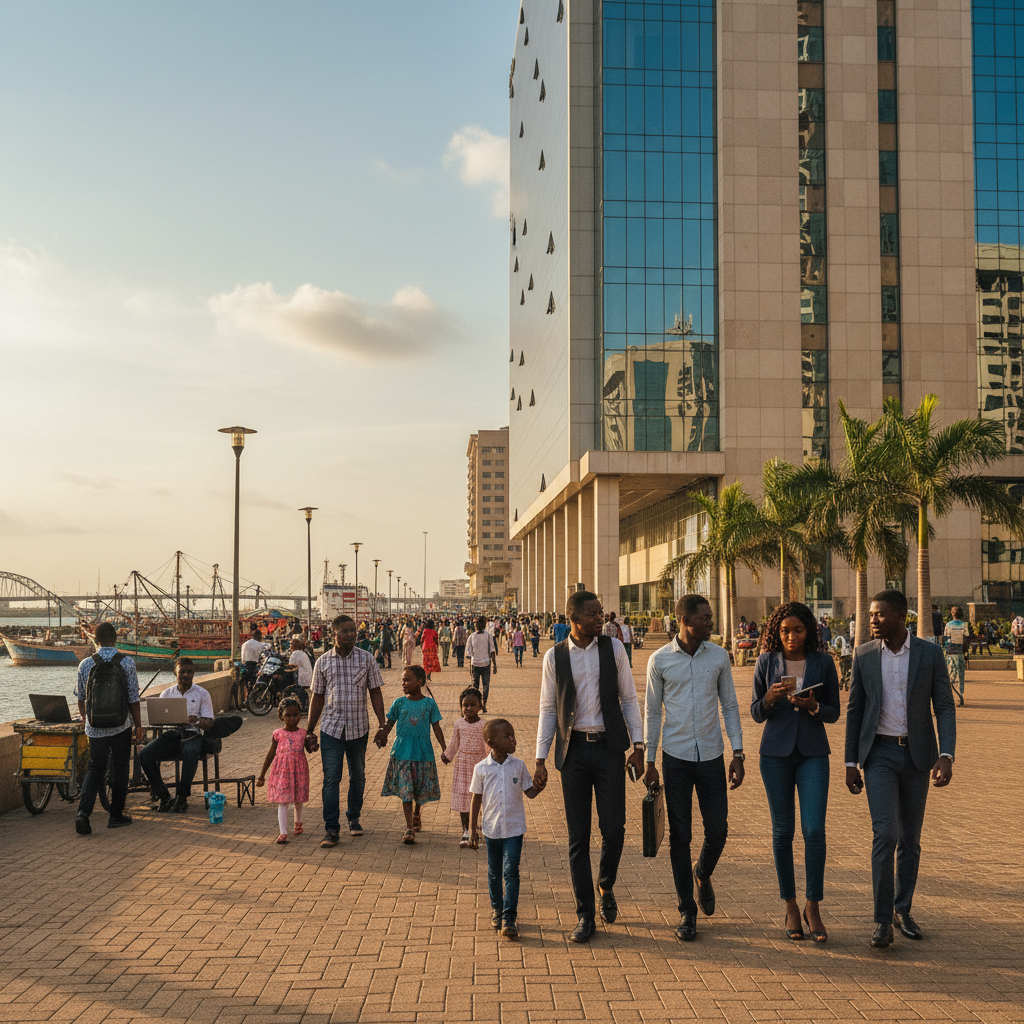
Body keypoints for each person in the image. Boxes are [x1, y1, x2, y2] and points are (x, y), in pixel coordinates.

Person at [844, 590, 956, 948]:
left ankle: (902, 909)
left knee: (910, 839)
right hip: (879, 756)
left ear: (900, 616)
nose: (873, 619)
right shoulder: (863, 656)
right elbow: (855, 711)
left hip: (918, 757)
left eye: (879, 614)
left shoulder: (929, 654)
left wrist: (947, 754)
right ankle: (881, 921)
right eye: (871, 614)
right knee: (886, 834)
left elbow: (944, 707)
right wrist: (850, 762)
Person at [535, 591, 645, 943]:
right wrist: (540, 757)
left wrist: (639, 745)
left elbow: (628, 697)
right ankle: (585, 914)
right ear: (575, 619)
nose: (601, 618)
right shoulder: (555, 656)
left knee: (614, 830)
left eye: (601, 613)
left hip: (610, 749)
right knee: (577, 837)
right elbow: (548, 709)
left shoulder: (613, 649)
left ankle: (605, 884)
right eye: (594, 614)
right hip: (575, 754)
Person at [644, 595, 745, 943]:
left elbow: (730, 705)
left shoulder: (718, 656)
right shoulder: (659, 661)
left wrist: (739, 752)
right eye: (704, 618)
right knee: (680, 837)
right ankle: (687, 910)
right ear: (685, 620)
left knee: (718, 830)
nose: (711, 623)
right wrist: (650, 759)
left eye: (711, 617)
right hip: (676, 758)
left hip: (712, 757)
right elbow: (653, 712)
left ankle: (703, 873)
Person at [751, 602, 841, 943]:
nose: (790, 636)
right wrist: (771, 699)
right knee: (782, 832)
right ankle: (789, 904)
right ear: (778, 631)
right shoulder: (765, 661)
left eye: (798, 630)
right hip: (774, 754)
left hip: (813, 754)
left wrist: (813, 706)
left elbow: (833, 712)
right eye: (785, 631)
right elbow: (756, 712)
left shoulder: (823, 662)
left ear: (809, 631)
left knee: (814, 830)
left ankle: (813, 905)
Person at [307, 614, 386, 846]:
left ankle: (354, 817)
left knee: (358, 776)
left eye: (353, 630)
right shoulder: (323, 662)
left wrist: (383, 725)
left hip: (358, 728)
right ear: (335, 634)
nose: (352, 634)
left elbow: (375, 692)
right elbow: (317, 698)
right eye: (346, 631)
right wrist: (309, 730)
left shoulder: (367, 659)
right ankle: (331, 828)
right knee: (331, 779)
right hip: (331, 730)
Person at [470, 718, 545, 940]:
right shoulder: (481, 769)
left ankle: (509, 917)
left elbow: (529, 792)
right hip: (491, 830)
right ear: (491, 742)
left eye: (513, 734)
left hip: (514, 829)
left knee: (511, 871)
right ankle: (497, 908)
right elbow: (476, 799)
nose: (513, 739)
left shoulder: (519, 765)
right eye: (507, 736)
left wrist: (539, 787)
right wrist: (472, 829)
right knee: (494, 872)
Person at [73, 621, 143, 834]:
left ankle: (83, 813)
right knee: (121, 767)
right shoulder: (127, 662)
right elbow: (133, 698)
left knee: (95, 767)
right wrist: (138, 725)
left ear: (96, 639)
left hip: (95, 728)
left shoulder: (85, 664)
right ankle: (115, 816)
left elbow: (81, 699)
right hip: (120, 724)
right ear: (116, 638)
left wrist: (88, 719)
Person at [375, 666, 445, 844]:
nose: (403, 683)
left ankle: (416, 813)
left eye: (407, 680)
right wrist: (382, 734)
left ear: (420, 682)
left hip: (423, 752)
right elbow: (389, 723)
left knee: (419, 789)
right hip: (402, 752)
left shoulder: (429, 704)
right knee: (406, 790)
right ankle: (409, 828)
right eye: (402, 680)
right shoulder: (399, 703)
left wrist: (445, 748)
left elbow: (436, 727)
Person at [139, 658, 216, 813]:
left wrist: (196, 721)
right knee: (145, 754)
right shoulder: (167, 693)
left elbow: (209, 723)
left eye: (190, 672)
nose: (186, 675)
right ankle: (164, 796)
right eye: (182, 672)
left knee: (190, 751)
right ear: (176, 672)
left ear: (194, 674)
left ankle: (182, 797)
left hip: (193, 734)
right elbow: (160, 721)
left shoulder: (202, 693)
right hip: (172, 734)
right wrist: (170, 720)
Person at [256, 697, 310, 843]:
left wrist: (314, 745)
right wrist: (262, 775)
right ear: (281, 716)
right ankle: (283, 831)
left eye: (295, 714)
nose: (292, 718)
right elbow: (271, 754)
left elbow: (311, 749)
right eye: (288, 715)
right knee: (283, 800)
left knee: (299, 798)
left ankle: (298, 823)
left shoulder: (304, 734)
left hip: (299, 771)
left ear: (300, 714)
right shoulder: (277, 734)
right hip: (282, 772)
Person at [441, 686, 489, 847]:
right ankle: (466, 831)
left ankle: (481, 828)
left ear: (480, 707)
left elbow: (489, 747)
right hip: (462, 764)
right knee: (463, 798)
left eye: (472, 705)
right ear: (461, 707)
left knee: (481, 797)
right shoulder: (459, 723)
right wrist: (447, 755)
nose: (468, 708)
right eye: (465, 705)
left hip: (480, 765)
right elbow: (455, 743)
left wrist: (493, 763)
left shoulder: (485, 725)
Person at [465, 617, 498, 710]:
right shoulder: (488, 636)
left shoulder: (472, 636)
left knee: (475, 686)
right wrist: (494, 665)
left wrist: (470, 666)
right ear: (484, 626)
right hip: (486, 664)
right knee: (486, 685)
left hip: (475, 664)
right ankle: (483, 704)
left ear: (476, 626)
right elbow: (492, 651)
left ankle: (477, 704)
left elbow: (469, 653)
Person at [942, 606, 968, 707]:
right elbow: (966, 639)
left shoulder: (948, 625)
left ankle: (951, 696)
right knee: (960, 675)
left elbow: (946, 638)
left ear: (952, 614)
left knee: (951, 675)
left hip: (951, 653)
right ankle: (960, 695)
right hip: (960, 653)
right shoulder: (964, 625)